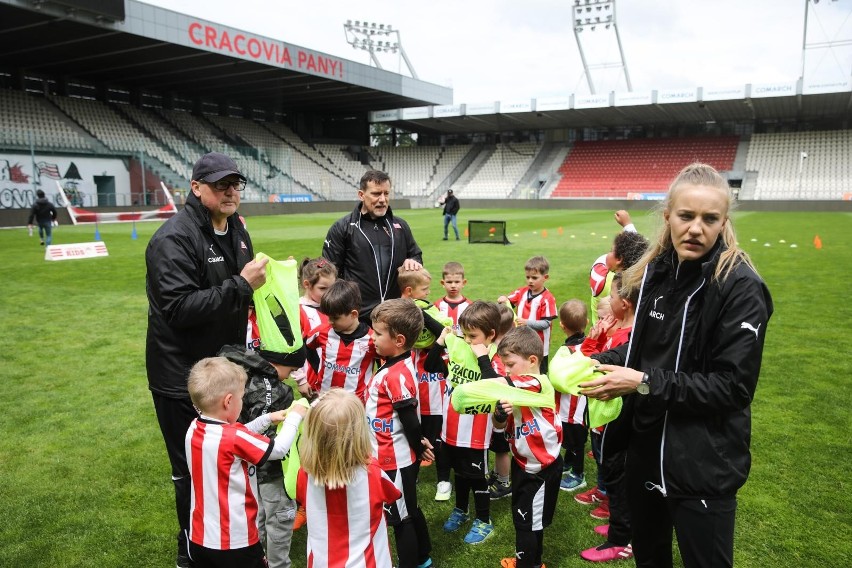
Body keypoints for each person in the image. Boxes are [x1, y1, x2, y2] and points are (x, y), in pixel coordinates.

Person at [581, 163, 773, 568]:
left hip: (702, 464)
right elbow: (644, 350)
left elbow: (732, 388)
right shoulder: (654, 271)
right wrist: (595, 362)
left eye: (710, 219)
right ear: (667, 215)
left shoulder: (740, 286)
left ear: (724, 222)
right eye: (686, 216)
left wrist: (644, 382)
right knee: (650, 560)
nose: (696, 229)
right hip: (644, 452)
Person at [146, 151, 268, 568]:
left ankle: (228, 540)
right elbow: (177, 309)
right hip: (181, 378)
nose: (231, 191)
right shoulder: (173, 239)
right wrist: (240, 285)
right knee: (191, 471)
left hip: (224, 372)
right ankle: (191, 551)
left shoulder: (237, 228)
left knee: (225, 465)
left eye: (236, 184)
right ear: (196, 188)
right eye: (221, 185)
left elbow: (235, 299)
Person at [184, 357, 307, 568]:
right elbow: (277, 450)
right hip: (235, 541)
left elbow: (239, 435)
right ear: (228, 401)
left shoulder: (194, 429)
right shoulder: (234, 437)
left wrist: (267, 419)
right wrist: (295, 417)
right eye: (241, 398)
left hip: (199, 538)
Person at [476, 326, 563, 568]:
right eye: (504, 365)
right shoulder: (516, 389)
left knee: (526, 524)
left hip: (540, 470)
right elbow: (499, 426)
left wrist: (482, 357)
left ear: (532, 360)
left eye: (511, 364)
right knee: (529, 522)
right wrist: (499, 416)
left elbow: (494, 384)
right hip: (523, 463)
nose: (506, 370)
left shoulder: (537, 382)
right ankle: (534, 563)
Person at [425, 301, 505, 546]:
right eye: (465, 335)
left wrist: (482, 357)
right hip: (451, 426)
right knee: (459, 472)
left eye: (474, 336)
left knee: (477, 476)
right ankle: (461, 510)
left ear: (490, 335)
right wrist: (440, 340)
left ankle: (484, 520)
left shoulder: (494, 357)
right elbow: (430, 366)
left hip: (476, 431)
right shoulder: (458, 348)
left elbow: (497, 387)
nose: (468, 341)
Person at [297, 389, 402, 568]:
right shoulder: (373, 472)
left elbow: (302, 501)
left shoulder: (305, 474)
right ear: (359, 433)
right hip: (370, 562)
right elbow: (392, 495)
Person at [366, 299, 434, 568]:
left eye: (379, 333)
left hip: (392, 461)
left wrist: (418, 446)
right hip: (389, 457)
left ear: (399, 340)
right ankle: (423, 555)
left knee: (400, 518)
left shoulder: (396, 374)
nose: (373, 337)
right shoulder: (393, 364)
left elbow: (408, 417)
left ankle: (412, 561)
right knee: (409, 508)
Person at [578, 273, 639, 563]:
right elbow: (590, 358)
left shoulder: (630, 338)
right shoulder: (615, 328)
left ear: (624, 303)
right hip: (604, 415)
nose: (607, 302)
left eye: (612, 297)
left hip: (619, 415)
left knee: (618, 472)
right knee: (612, 471)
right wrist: (595, 339)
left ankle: (622, 540)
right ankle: (621, 526)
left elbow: (595, 369)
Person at [322, 170, 423, 322]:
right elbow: (329, 272)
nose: (382, 199)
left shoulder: (400, 226)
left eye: (386, 193)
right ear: (361, 195)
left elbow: (416, 255)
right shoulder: (342, 228)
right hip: (357, 316)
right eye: (376, 194)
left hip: (395, 313)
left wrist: (414, 261)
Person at [305, 279, 377, 401]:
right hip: (324, 399)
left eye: (335, 318)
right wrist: (316, 369)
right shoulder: (321, 332)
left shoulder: (372, 339)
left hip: (355, 404)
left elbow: (388, 363)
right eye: (328, 317)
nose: (330, 321)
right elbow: (306, 346)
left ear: (353, 314)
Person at [498, 256, 557, 374]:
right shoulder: (522, 292)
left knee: (539, 374)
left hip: (539, 347)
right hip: (519, 343)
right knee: (520, 371)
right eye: (528, 277)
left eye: (534, 278)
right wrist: (504, 299)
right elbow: (508, 303)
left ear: (545, 278)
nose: (530, 281)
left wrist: (526, 322)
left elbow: (546, 323)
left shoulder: (547, 299)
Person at [553, 299, 589, 493]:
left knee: (576, 439)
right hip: (579, 402)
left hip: (573, 404)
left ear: (562, 325)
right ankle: (568, 462)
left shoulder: (567, 351)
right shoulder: (589, 345)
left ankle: (578, 474)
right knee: (571, 435)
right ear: (587, 322)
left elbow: (557, 377)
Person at [290, 257, 338, 402]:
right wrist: (301, 380)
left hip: (336, 378)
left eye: (332, 288)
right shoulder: (298, 311)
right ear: (307, 284)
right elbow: (293, 348)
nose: (329, 293)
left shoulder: (334, 307)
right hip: (313, 382)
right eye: (323, 289)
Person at [589, 210, 639, 325]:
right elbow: (641, 254)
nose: (607, 254)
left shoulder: (600, 272)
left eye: (611, 251)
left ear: (619, 259)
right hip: (617, 331)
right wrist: (628, 225)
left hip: (602, 331)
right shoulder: (631, 282)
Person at [434, 261, 472, 336]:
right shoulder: (437, 305)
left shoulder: (470, 305)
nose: (453, 285)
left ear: (463, 283)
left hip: (463, 345)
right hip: (443, 345)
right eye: (449, 282)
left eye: (457, 282)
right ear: (443, 283)